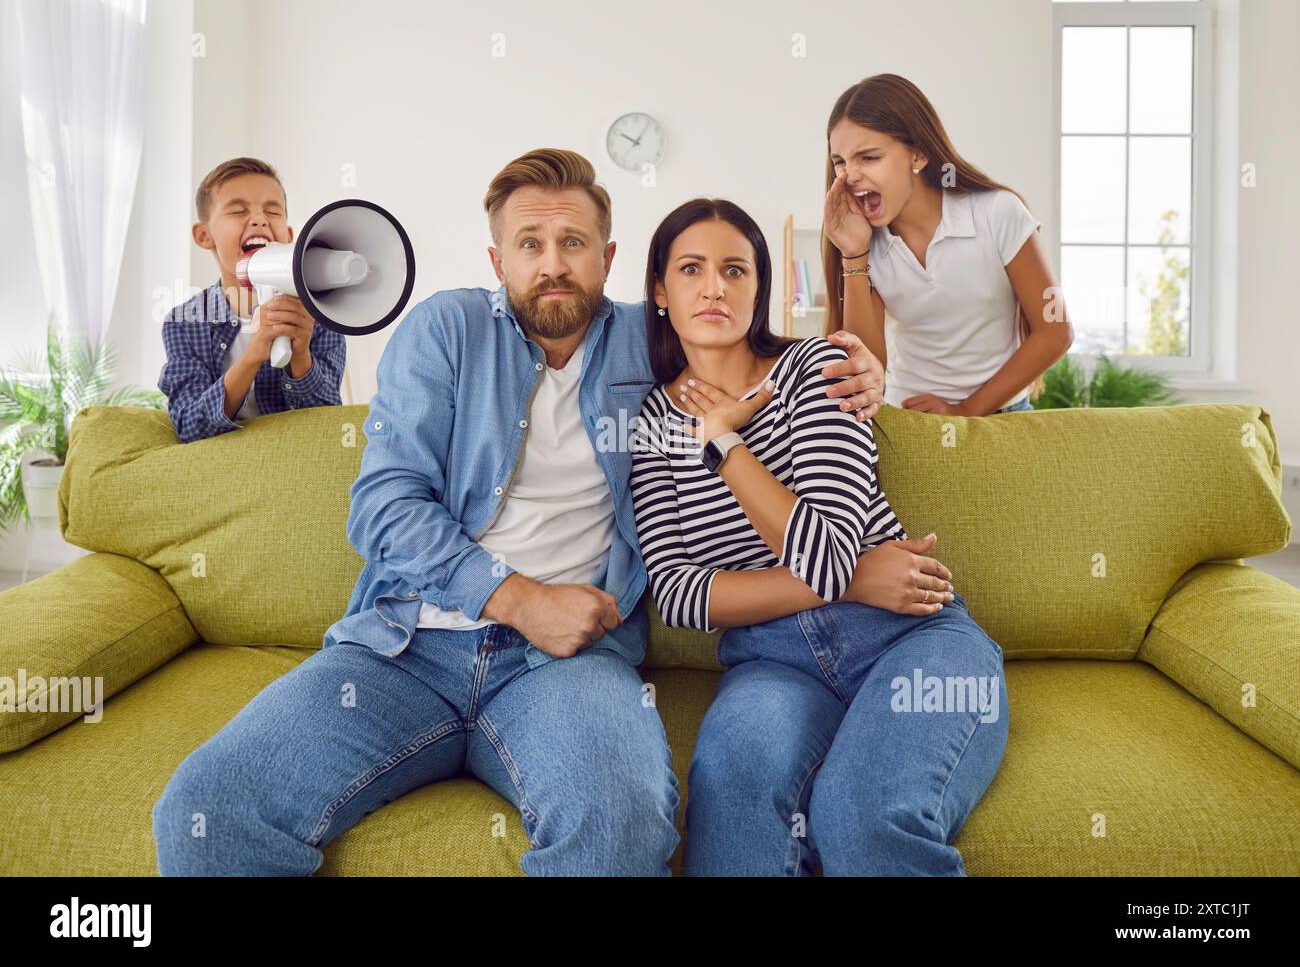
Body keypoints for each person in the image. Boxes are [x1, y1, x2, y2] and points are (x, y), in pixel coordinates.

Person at [151, 148, 887, 876]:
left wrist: (863, 365)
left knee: (619, 826)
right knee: (208, 808)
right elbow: (383, 506)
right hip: (404, 647)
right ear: (498, 261)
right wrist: (518, 599)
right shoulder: (447, 330)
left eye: (573, 244)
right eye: (530, 245)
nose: (553, 264)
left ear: (609, 257)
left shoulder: (654, 339)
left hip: (569, 666)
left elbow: (760, 353)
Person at [630, 196, 1009, 875]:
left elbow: (827, 551)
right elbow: (681, 595)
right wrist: (862, 575)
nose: (714, 286)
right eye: (691, 269)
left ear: (759, 287)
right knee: (732, 802)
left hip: (908, 635)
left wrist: (723, 443)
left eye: (736, 270)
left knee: (859, 814)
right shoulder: (653, 423)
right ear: (660, 290)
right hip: (772, 663)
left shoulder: (820, 369)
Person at [821, 74, 1074, 415]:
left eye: (868, 157)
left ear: (918, 155)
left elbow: (1056, 331)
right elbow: (866, 364)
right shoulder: (867, 244)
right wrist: (853, 253)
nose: (849, 175)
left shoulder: (999, 212)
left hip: (1001, 417)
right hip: (908, 417)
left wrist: (963, 411)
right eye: (840, 161)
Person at [157, 157, 346, 443]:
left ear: (289, 236)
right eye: (237, 210)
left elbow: (326, 425)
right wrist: (254, 353)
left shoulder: (320, 316)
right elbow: (190, 425)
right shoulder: (184, 322)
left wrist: (301, 356)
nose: (259, 219)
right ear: (204, 235)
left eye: (273, 211)